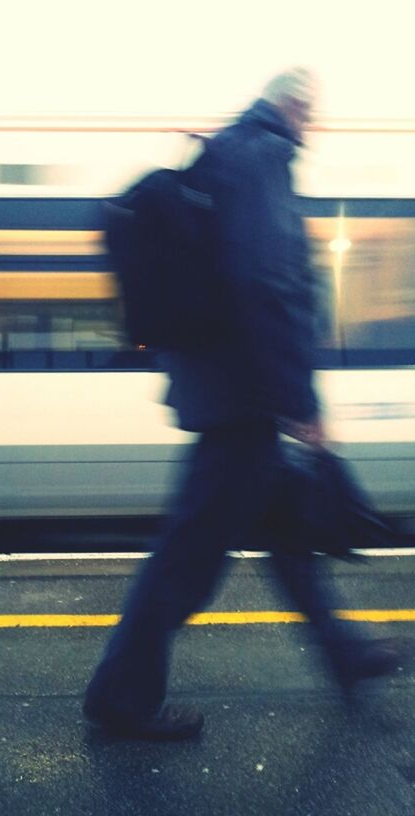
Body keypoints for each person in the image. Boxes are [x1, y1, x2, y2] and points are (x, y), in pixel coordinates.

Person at [83, 67, 402, 740]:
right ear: (289, 106)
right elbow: (267, 280)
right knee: (188, 558)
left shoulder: (231, 152)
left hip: (230, 388)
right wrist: (297, 398)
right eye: (310, 109)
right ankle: (122, 697)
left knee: (290, 533)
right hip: (244, 397)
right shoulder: (259, 155)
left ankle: (344, 654)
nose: (313, 123)